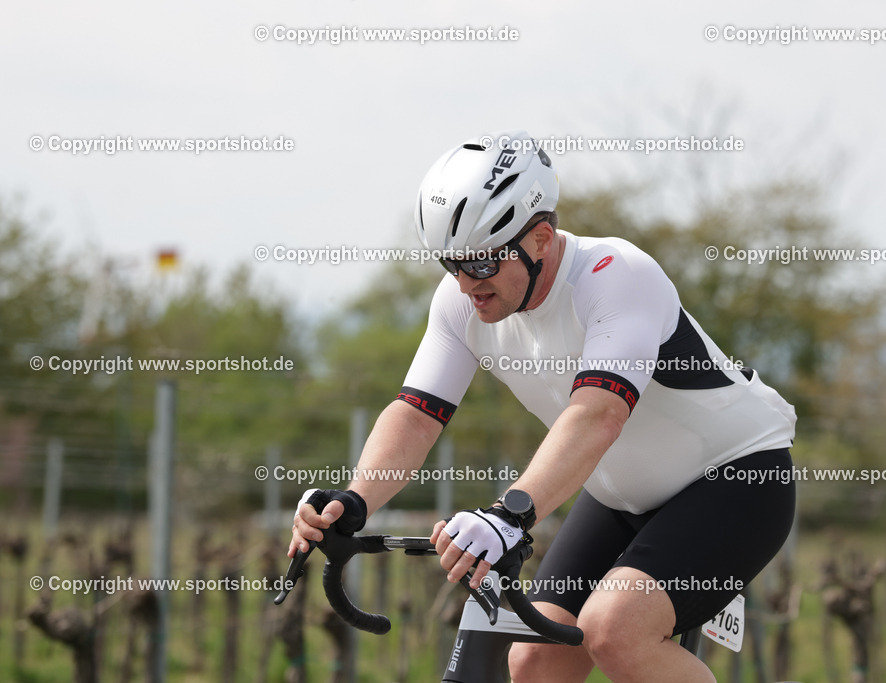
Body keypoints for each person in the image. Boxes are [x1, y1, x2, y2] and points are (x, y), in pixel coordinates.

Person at [290, 130, 797, 682]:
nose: (466, 284)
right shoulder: (461, 304)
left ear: (539, 238)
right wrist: (354, 501)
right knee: (533, 658)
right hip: (620, 496)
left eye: (482, 263)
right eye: (451, 264)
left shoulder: (615, 276)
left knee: (614, 630)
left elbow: (598, 414)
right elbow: (415, 415)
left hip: (735, 478)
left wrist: (510, 515)